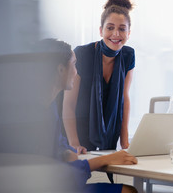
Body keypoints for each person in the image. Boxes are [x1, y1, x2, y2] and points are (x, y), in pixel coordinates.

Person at [39, 38, 138, 193]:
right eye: (74, 65)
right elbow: (64, 174)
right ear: (60, 70)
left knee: (128, 190)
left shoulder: (50, 106)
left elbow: (59, 147)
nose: (77, 71)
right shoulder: (39, 113)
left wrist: (67, 151)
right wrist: (106, 159)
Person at [63, 0, 135, 153]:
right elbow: (68, 104)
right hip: (77, 130)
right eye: (110, 28)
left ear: (128, 33)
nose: (116, 34)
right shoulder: (82, 54)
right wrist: (73, 143)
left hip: (109, 131)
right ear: (101, 30)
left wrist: (125, 142)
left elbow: (124, 98)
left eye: (122, 29)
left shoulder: (128, 55)